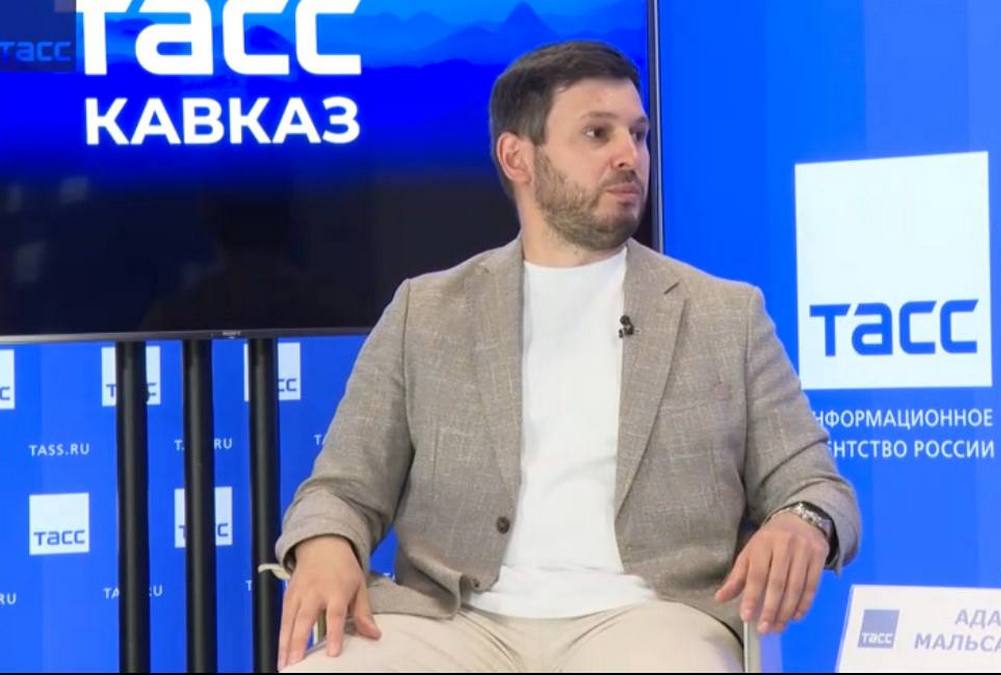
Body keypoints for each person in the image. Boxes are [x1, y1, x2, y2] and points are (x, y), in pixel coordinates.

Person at [276, 40, 860, 672]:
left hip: (649, 619)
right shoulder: (428, 311)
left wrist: (802, 522)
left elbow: (816, 485)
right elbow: (341, 488)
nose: (628, 155)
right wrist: (326, 541)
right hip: (454, 622)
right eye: (596, 133)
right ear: (517, 157)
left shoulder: (724, 314)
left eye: (638, 135)